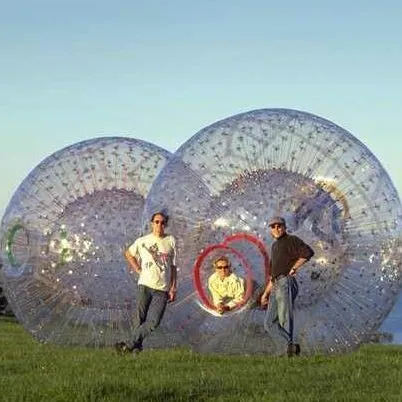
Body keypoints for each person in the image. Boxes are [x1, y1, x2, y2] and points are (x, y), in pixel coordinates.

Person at [115, 211, 177, 355]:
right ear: (152, 223)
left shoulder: (171, 241)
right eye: (156, 222)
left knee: (154, 322)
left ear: (165, 224)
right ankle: (135, 350)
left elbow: (173, 267)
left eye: (162, 222)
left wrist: (173, 288)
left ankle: (127, 344)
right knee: (139, 318)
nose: (159, 225)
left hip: (162, 289)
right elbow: (129, 253)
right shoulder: (143, 240)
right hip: (145, 285)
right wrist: (137, 268)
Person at [260, 216, 314, 357]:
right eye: (273, 227)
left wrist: (294, 267)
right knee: (269, 323)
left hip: (285, 283)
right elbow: (273, 275)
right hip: (276, 284)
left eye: (279, 226)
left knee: (284, 320)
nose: (276, 229)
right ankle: (290, 348)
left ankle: (287, 354)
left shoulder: (291, 240)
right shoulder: (275, 246)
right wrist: (265, 294)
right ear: (270, 230)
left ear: (284, 227)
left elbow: (308, 252)